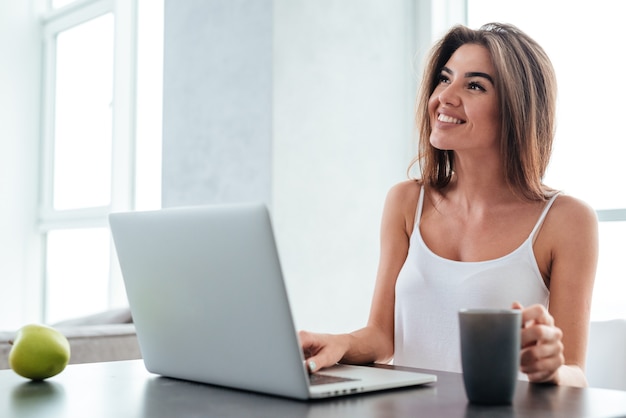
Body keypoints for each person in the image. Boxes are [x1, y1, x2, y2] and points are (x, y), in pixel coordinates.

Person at [299, 23, 598, 387]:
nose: (444, 97)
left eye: (474, 85)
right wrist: (338, 343)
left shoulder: (566, 220)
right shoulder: (406, 202)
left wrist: (552, 368)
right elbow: (382, 335)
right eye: (444, 79)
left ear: (516, 108)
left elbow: (575, 374)